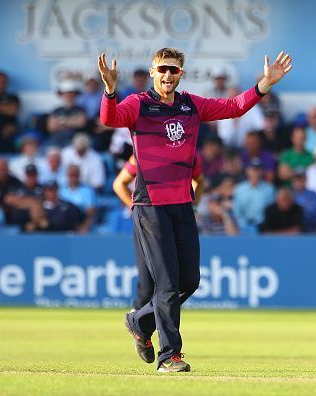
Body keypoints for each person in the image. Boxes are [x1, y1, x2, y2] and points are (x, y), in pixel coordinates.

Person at [98, 47, 292, 372]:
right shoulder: (137, 104)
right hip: (151, 206)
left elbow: (234, 107)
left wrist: (264, 85)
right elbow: (109, 118)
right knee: (168, 284)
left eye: (173, 70)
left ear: (181, 73)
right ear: (152, 71)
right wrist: (110, 89)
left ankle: (140, 321)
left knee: (190, 280)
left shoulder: (192, 104)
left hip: (182, 204)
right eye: (162, 69)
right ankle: (169, 356)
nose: (167, 75)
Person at [113, 153, 204, 310]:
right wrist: (136, 208)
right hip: (150, 222)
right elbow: (119, 184)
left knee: (175, 282)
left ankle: (142, 321)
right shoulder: (142, 152)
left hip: (177, 221)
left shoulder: (188, 153)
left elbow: (199, 180)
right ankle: (140, 323)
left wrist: (193, 206)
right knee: (147, 286)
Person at [232, 159, 276, 233]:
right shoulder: (239, 189)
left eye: (259, 169)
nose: (256, 172)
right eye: (254, 169)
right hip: (243, 227)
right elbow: (237, 211)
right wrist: (243, 225)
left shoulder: (270, 189)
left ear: (262, 172)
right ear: (247, 171)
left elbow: (271, 211)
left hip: (264, 227)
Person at [46, 80, 88, 147]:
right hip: (56, 139)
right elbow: (51, 127)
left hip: (74, 140)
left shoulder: (81, 109)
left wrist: (61, 121)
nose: (69, 95)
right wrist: (72, 121)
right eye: (66, 93)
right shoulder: (56, 110)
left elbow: (80, 123)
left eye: (71, 93)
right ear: (62, 94)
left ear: (75, 94)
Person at [59, 165, 97, 234]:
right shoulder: (61, 191)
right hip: (64, 223)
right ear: (67, 176)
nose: (73, 178)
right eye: (71, 175)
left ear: (79, 176)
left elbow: (91, 212)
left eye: (75, 175)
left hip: (81, 221)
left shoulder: (88, 191)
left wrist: (84, 226)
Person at [0, 71, 21, 153]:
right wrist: (4, 108)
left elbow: (13, 110)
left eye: (3, 82)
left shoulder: (13, 97)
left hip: (9, 131)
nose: (1, 84)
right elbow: (8, 109)